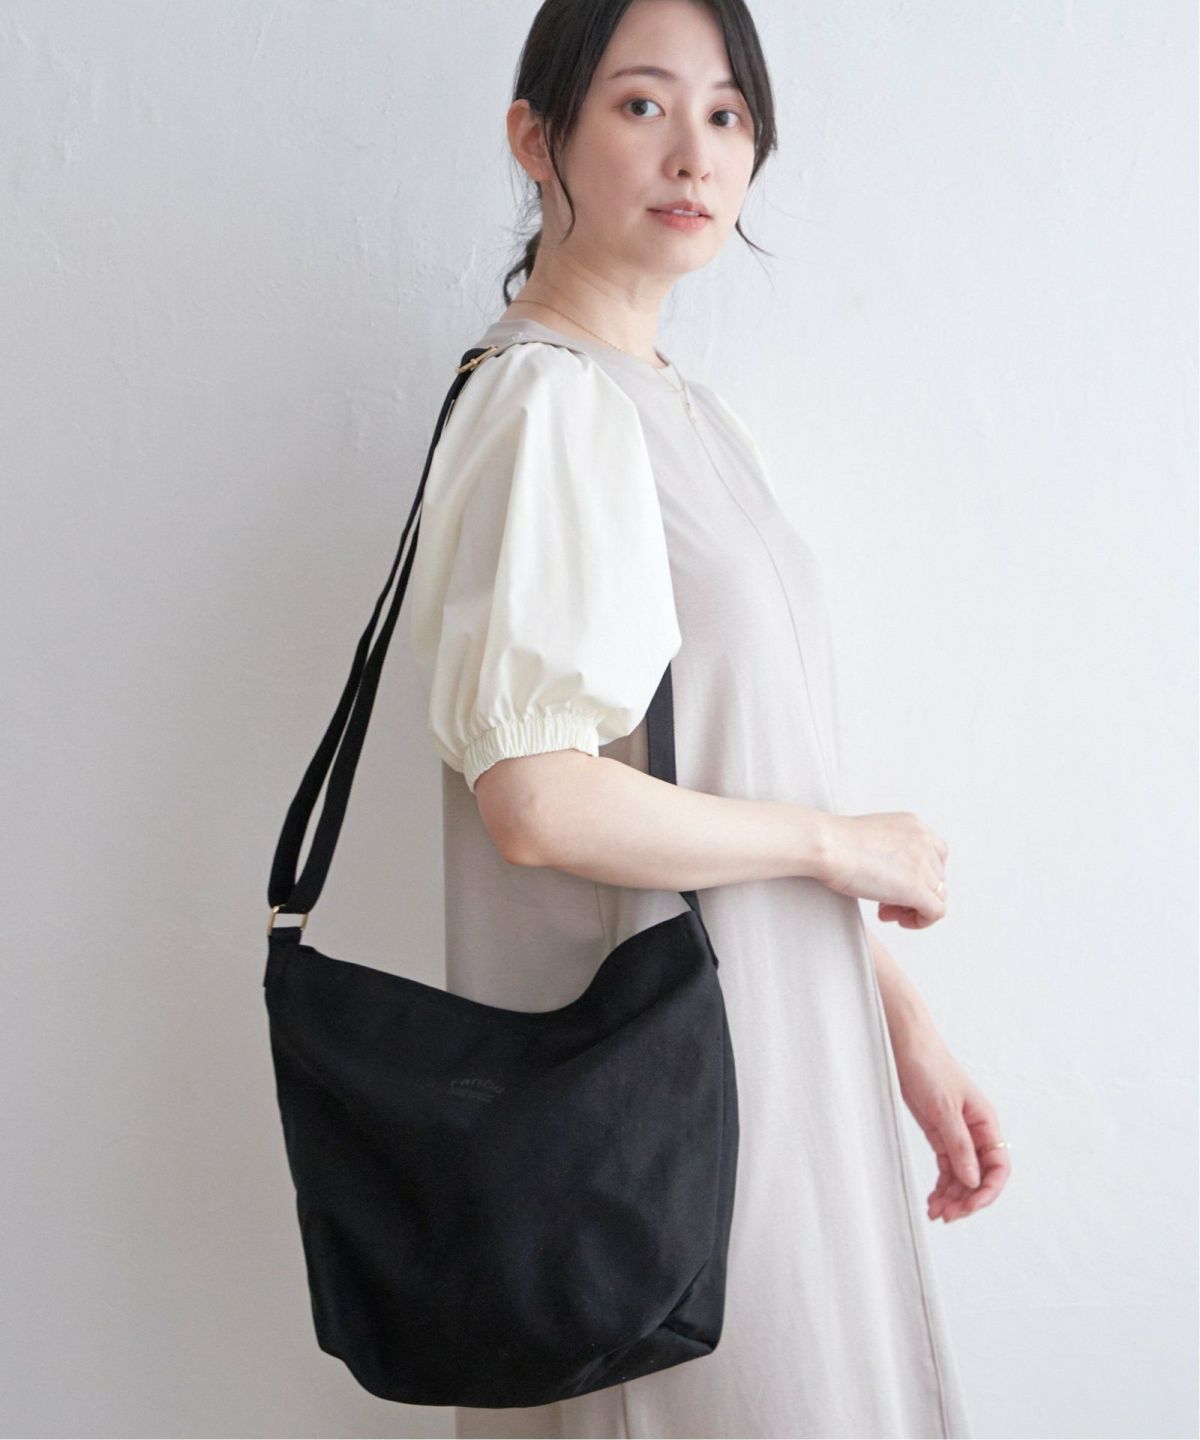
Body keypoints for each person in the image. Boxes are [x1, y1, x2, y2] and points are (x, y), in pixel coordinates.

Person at [408, 1, 1010, 1435]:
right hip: (674, 1108)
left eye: (729, 113)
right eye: (642, 105)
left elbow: (727, 759)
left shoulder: (683, 414)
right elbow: (536, 798)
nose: (696, 152)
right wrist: (842, 848)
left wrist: (895, 1018)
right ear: (535, 138)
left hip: (778, 1060)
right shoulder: (549, 408)